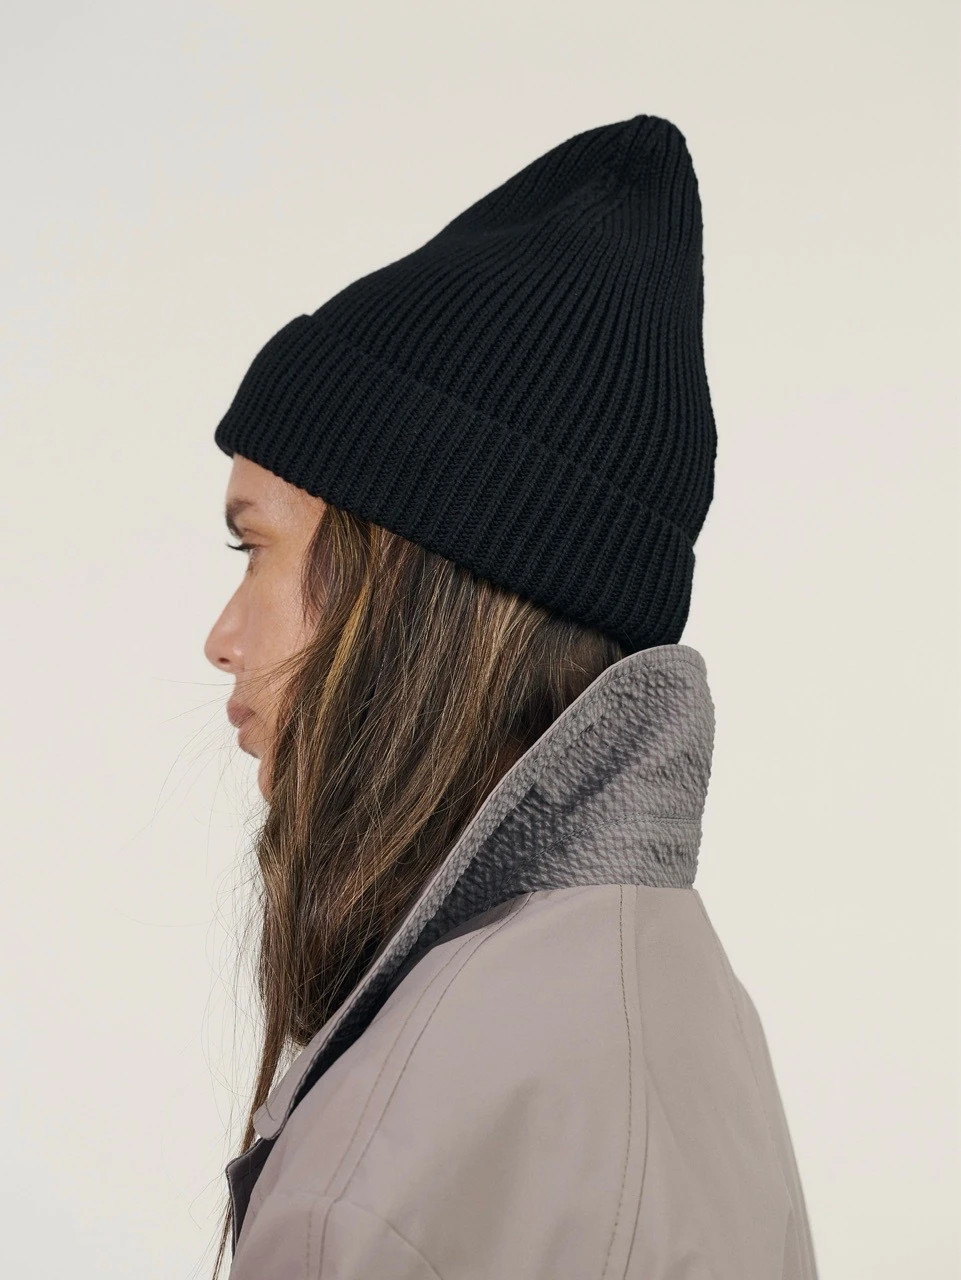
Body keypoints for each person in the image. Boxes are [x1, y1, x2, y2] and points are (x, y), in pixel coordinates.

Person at [203, 113, 820, 1279]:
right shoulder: (683, 996)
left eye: (255, 548)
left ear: (405, 586)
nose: (223, 640)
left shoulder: (373, 1183)